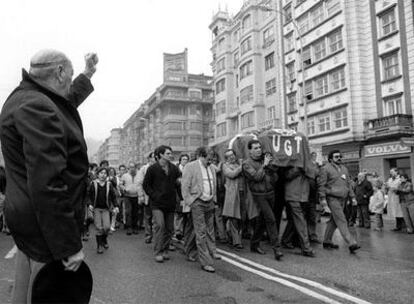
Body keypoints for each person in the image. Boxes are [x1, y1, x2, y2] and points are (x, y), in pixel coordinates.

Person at [0, 49, 98, 303]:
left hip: (29, 218)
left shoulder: (30, 97)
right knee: (47, 292)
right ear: (60, 72)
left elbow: (64, 105)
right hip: (43, 225)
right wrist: (68, 245)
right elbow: (47, 183)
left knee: (24, 290)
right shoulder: (38, 106)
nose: (70, 82)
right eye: (71, 74)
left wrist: (86, 74)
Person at [181, 147, 221, 273]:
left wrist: (214, 200)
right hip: (197, 202)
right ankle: (206, 262)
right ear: (201, 156)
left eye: (212, 158)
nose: (210, 161)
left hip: (209, 202)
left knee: (209, 230)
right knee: (201, 232)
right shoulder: (190, 166)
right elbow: (185, 186)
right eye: (208, 158)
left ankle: (202, 251)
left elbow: (213, 184)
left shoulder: (211, 167)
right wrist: (190, 201)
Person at [242, 140, 283, 260]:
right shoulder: (246, 164)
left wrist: (271, 169)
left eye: (259, 147)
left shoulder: (264, 160)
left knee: (262, 220)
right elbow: (256, 177)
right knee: (271, 219)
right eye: (255, 148)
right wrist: (264, 165)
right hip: (259, 195)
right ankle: (277, 249)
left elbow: (275, 176)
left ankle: (254, 244)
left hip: (270, 193)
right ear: (250, 150)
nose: (259, 150)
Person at [143, 145, 181, 263]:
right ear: (161, 155)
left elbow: (177, 184)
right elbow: (146, 186)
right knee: (160, 225)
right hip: (157, 204)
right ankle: (158, 251)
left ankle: (165, 250)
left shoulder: (174, 169)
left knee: (170, 229)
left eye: (171, 153)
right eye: (168, 153)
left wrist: (182, 198)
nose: (170, 155)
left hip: (170, 203)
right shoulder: (152, 169)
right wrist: (154, 196)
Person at [318, 150, 360, 254]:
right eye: (336, 157)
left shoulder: (344, 169)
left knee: (333, 221)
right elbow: (321, 186)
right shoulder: (325, 169)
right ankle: (351, 243)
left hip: (343, 199)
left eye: (340, 156)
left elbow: (348, 184)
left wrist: (353, 197)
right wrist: (323, 201)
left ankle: (327, 241)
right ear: (331, 159)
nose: (339, 158)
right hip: (332, 198)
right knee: (341, 220)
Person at [284, 166, 315, 257]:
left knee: (294, 220)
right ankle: (306, 247)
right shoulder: (290, 163)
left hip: (303, 196)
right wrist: (299, 168)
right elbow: (286, 175)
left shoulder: (306, 163)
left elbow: (314, 174)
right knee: (300, 221)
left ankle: (286, 240)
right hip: (293, 195)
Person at [88, 167, 117, 253]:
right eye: (101, 173)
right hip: (96, 208)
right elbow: (88, 195)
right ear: (97, 174)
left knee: (107, 227)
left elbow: (113, 196)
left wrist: (116, 206)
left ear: (107, 175)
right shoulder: (93, 184)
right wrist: (90, 204)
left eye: (105, 173)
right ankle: (99, 245)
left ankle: (104, 239)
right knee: (99, 227)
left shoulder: (109, 184)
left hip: (106, 209)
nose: (103, 175)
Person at [222, 149, 244, 250]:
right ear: (226, 158)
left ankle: (235, 238)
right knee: (234, 217)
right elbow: (231, 174)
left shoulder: (239, 164)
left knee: (241, 217)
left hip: (243, 193)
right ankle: (236, 241)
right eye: (229, 156)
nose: (232, 157)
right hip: (232, 194)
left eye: (232, 155)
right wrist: (241, 167)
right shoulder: (225, 166)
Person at [137, 152, 156, 244]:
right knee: (148, 217)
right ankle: (148, 235)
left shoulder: (159, 168)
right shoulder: (144, 169)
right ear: (149, 159)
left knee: (156, 218)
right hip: (147, 196)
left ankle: (157, 237)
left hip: (157, 197)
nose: (154, 159)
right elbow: (140, 183)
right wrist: (141, 195)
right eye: (153, 157)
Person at [119, 162, 140, 235]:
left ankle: (135, 227)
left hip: (136, 196)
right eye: (130, 167)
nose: (132, 169)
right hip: (127, 196)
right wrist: (124, 189)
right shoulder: (125, 176)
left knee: (135, 212)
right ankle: (129, 227)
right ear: (128, 168)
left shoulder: (139, 175)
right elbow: (120, 184)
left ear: (135, 167)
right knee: (128, 212)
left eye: (133, 167)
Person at [173, 153, 190, 241]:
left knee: (186, 213)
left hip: (187, 194)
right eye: (183, 159)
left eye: (187, 160)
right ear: (180, 160)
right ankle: (178, 231)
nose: (185, 161)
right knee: (179, 213)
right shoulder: (176, 169)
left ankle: (184, 231)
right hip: (178, 194)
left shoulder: (190, 169)